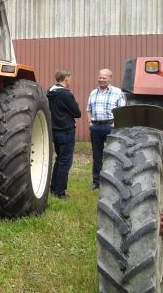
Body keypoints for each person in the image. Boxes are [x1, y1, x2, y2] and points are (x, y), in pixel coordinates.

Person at [86, 68, 126, 190]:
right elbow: (88, 109)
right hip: (96, 127)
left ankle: (115, 182)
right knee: (97, 155)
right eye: (100, 77)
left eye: (104, 78)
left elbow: (122, 110)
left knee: (114, 154)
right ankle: (96, 182)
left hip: (110, 127)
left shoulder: (117, 92)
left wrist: (115, 123)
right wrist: (90, 122)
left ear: (110, 78)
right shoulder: (93, 92)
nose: (101, 80)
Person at [47, 70, 81, 199]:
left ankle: (53, 187)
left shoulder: (49, 92)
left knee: (59, 159)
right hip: (66, 130)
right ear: (66, 79)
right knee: (65, 162)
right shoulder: (66, 95)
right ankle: (60, 192)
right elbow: (77, 113)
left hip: (54, 131)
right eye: (70, 78)